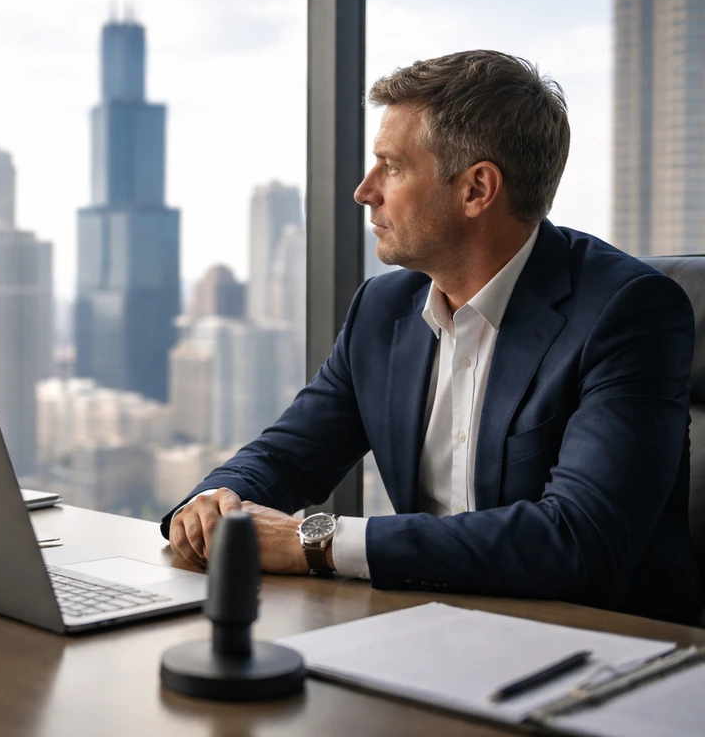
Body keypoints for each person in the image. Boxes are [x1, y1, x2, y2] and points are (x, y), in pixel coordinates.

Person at [161, 50, 705, 626]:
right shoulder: (382, 308)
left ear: (477, 189)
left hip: (601, 651)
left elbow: (578, 539)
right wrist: (214, 503)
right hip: (429, 626)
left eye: (392, 167)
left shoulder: (628, 312)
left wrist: (313, 540)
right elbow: (288, 454)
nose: (364, 191)